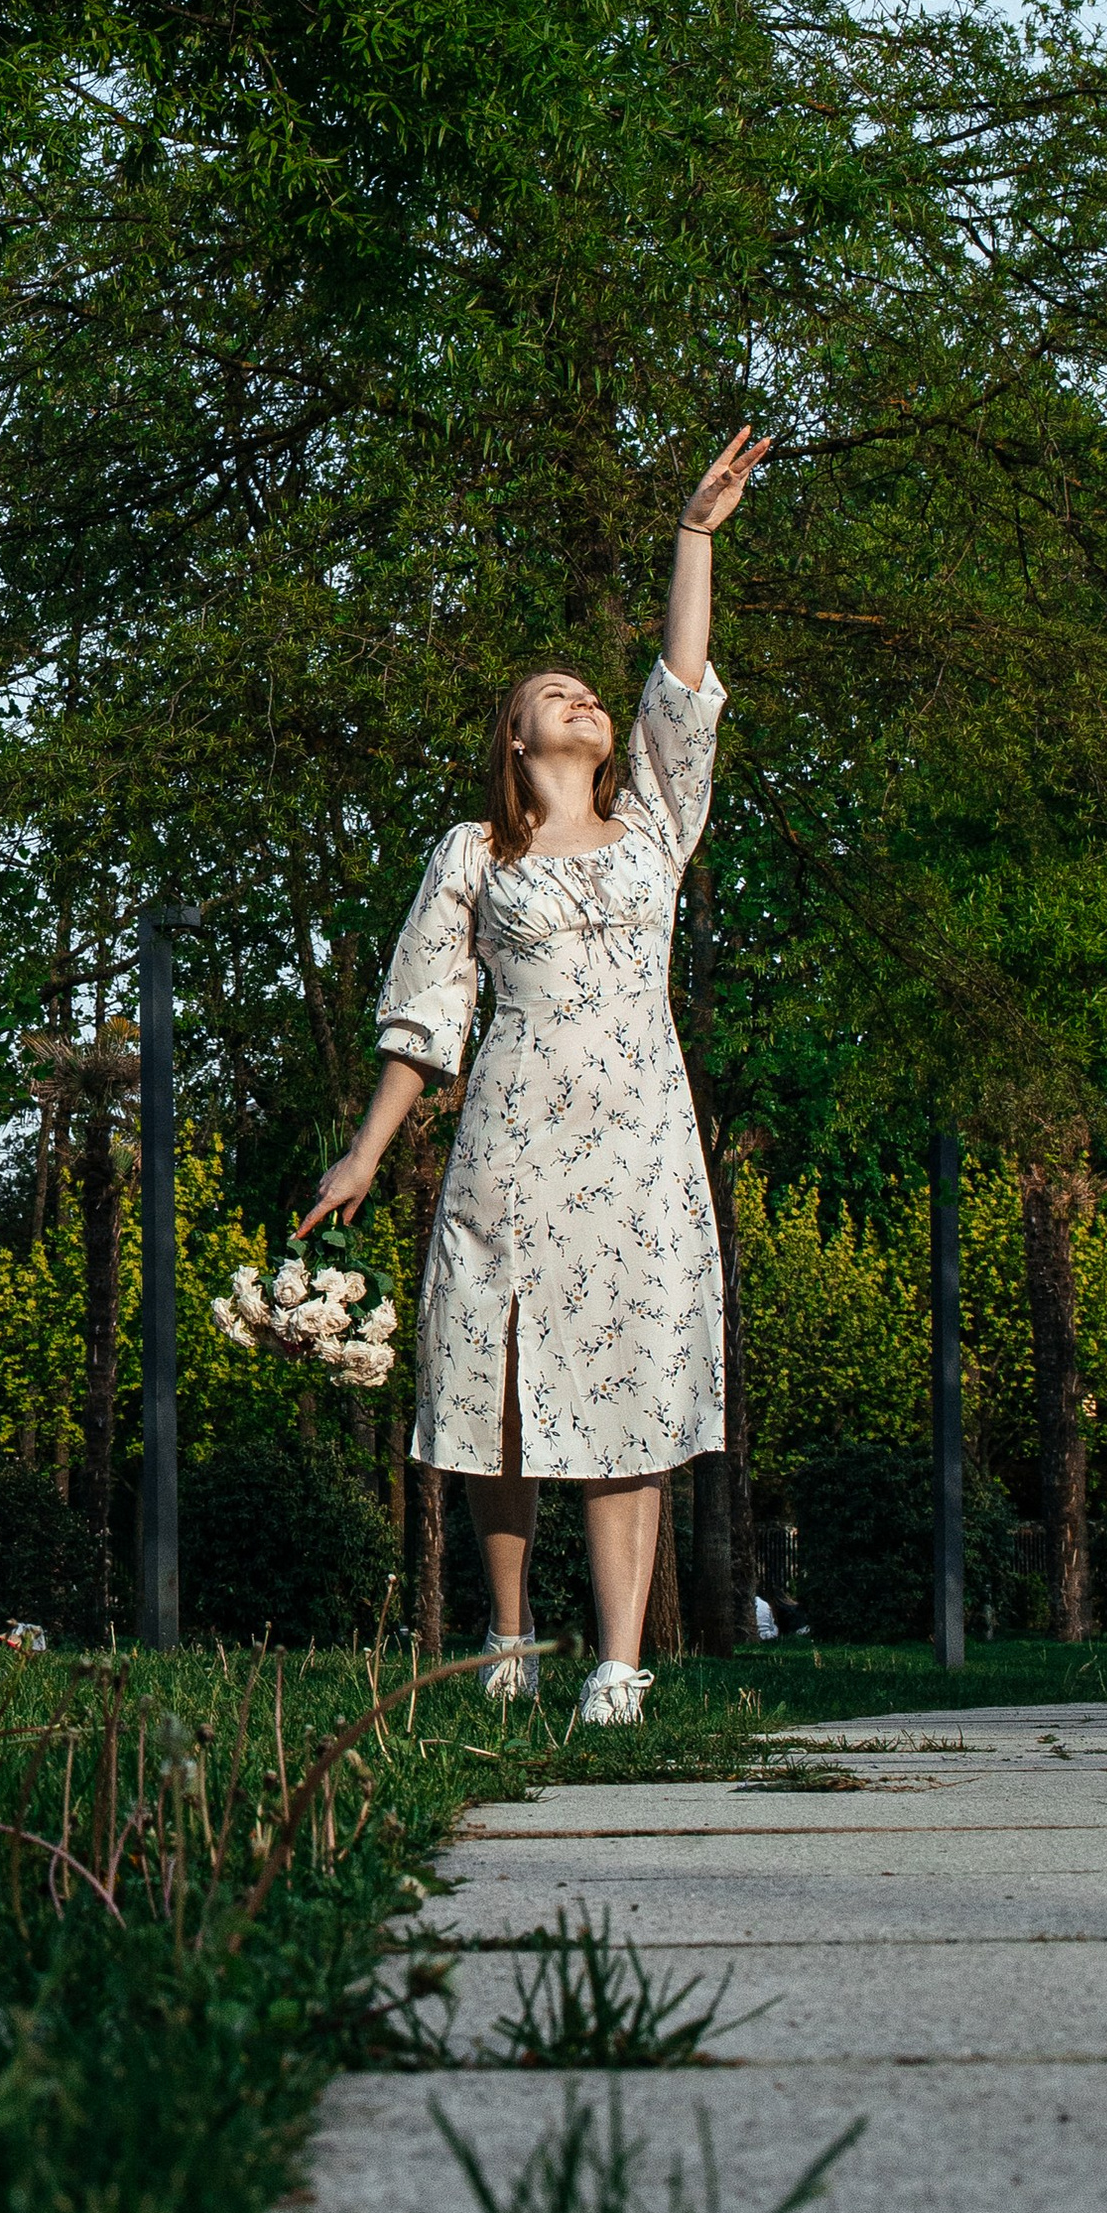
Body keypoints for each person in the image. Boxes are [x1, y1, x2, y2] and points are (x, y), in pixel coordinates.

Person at [300, 429, 769, 1731]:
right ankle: (509, 1642)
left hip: (640, 1144)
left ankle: (619, 1669)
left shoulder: (657, 827)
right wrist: (367, 1151)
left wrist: (697, 534)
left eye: (584, 689)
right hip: (514, 1130)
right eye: (549, 692)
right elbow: (428, 1006)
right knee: (494, 1378)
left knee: (630, 1388)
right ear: (512, 737)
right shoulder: (472, 851)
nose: (578, 695)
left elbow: (684, 684)